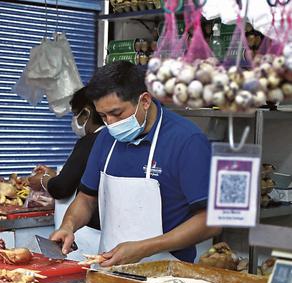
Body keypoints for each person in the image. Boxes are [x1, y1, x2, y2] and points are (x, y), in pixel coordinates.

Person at [50, 61, 222, 266]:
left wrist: (144, 248)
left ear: (145, 101)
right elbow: (86, 199)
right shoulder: (105, 139)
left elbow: (210, 222)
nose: (111, 123)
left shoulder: (186, 141)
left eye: (117, 113)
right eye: (103, 116)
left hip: (167, 273)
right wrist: (68, 226)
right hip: (108, 268)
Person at [28, 86, 104, 230]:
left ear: (86, 113)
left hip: (86, 229)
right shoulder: (109, 139)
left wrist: (43, 180)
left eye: (75, 114)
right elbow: (80, 176)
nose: (74, 120)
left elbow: (61, 188)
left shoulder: (90, 140)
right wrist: (54, 174)